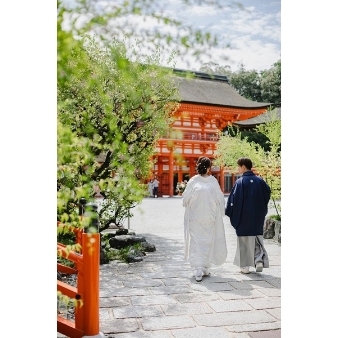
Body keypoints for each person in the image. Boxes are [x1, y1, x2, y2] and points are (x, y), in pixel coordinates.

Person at [182, 156, 227, 282]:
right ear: (208, 168)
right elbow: (219, 199)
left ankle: (199, 267)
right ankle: (203, 266)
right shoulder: (212, 181)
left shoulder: (193, 180)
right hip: (209, 217)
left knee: (196, 242)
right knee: (207, 241)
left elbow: (185, 200)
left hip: (195, 217)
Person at [225, 157, 271, 274]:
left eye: (238, 166)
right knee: (257, 238)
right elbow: (267, 194)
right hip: (257, 216)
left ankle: (245, 267)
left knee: (244, 241)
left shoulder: (240, 182)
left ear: (243, 167)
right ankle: (259, 260)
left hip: (244, 217)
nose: (238, 169)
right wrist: (260, 209)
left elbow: (233, 201)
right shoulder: (260, 181)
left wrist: (231, 212)